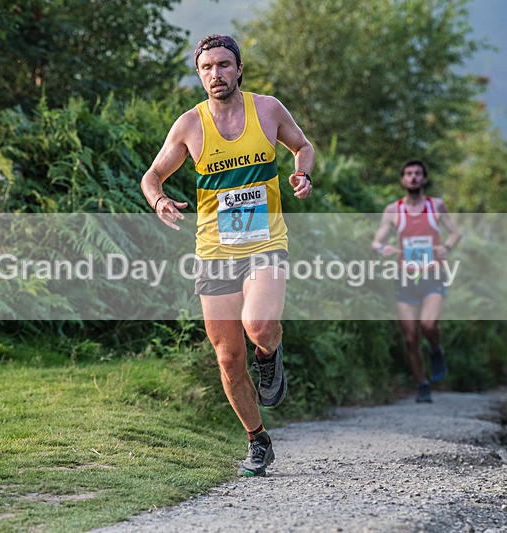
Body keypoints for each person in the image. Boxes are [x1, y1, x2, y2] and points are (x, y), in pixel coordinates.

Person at [140, 34, 314, 476]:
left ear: (238, 69)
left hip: (266, 242)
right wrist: (159, 200)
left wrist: (302, 173)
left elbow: (303, 146)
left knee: (259, 327)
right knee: (226, 357)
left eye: (223, 65)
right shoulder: (189, 125)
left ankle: (269, 355)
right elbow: (152, 176)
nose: (215, 74)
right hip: (214, 250)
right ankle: (258, 440)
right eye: (206, 68)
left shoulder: (269, 109)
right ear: (199, 76)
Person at [371, 159, 462, 403]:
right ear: (402, 179)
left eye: (418, 173)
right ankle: (422, 384)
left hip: (433, 275)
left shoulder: (436, 206)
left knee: (429, 325)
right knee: (410, 336)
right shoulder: (393, 210)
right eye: (409, 173)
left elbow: (455, 232)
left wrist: (447, 246)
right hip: (405, 278)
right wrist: (383, 249)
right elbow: (377, 241)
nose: (413, 177)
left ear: (424, 179)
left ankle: (435, 350)